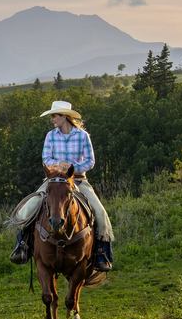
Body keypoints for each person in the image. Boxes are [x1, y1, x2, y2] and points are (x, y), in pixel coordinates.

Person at [9, 100, 114, 271]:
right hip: (54, 181)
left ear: (65, 116)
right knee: (28, 209)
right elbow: (46, 159)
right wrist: (58, 166)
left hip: (78, 180)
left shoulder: (82, 136)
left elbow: (90, 161)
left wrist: (71, 167)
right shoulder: (50, 136)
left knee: (101, 213)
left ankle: (102, 254)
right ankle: (21, 245)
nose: (52, 119)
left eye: (55, 116)